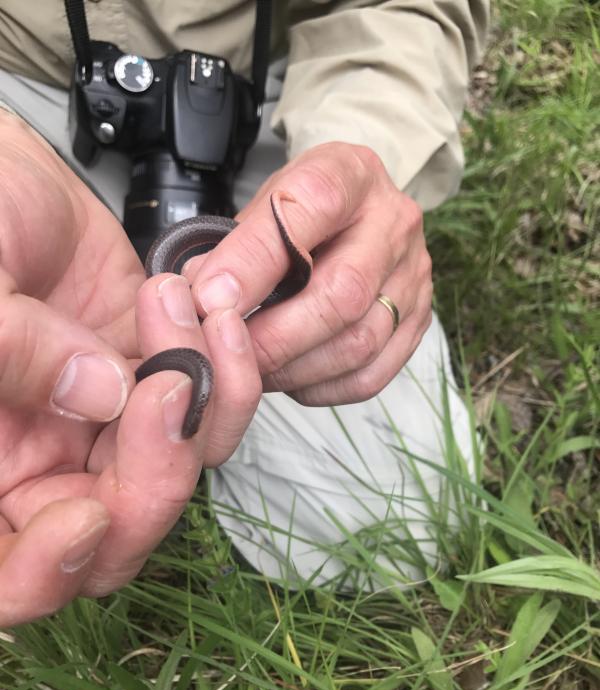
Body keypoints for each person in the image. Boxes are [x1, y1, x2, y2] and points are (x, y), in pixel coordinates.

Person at [0, 1, 489, 627]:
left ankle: (200, 424)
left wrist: (358, 168)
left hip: (264, 92)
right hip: (25, 81)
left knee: (391, 521)